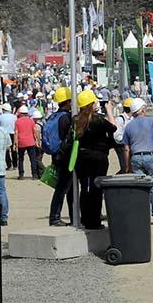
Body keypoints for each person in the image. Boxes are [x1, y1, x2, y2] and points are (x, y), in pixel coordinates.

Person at [123, 98, 153, 225]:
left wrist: (127, 166)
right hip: (151, 156)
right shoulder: (151, 121)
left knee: (140, 188)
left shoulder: (128, 126)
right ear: (143, 109)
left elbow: (126, 149)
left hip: (136, 158)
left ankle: (140, 216)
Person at [74, 90, 117, 230]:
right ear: (90, 104)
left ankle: (85, 218)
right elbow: (113, 127)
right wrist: (109, 110)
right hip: (98, 157)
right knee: (96, 188)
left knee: (84, 188)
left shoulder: (76, 119)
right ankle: (94, 220)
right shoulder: (97, 120)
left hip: (82, 157)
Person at [48, 87, 74, 226]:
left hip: (57, 155)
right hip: (65, 157)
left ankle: (72, 215)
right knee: (63, 189)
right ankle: (55, 217)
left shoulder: (54, 116)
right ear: (68, 102)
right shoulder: (66, 118)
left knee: (66, 188)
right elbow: (67, 138)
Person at [14, 105, 39, 180]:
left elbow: (16, 133)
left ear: (20, 113)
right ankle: (34, 175)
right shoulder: (31, 121)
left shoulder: (17, 121)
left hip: (21, 142)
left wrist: (15, 144)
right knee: (33, 159)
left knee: (21, 159)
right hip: (31, 142)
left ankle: (21, 175)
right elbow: (35, 131)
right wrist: (37, 140)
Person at [113, 98, 133, 174]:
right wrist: (126, 141)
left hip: (129, 145)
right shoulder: (120, 119)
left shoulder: (132, 118)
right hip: (121, 146)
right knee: (125, 167)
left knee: (130, 167)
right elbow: (116, 135)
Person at [0, 103, 18, 170]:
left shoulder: (1, 117)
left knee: (6, 150)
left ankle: (9, 165)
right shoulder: (14, 117)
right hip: (12, 133)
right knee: (13, 149)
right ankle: (15, 165)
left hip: (4, 134)